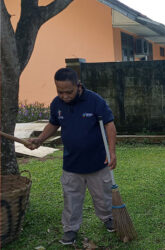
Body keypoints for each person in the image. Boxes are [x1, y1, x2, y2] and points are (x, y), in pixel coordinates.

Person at [26, 68, 117, 245]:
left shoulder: (95, 101)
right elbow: (53, 124)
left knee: (103, 196)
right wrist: (40, 139)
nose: (65, 96)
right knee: (71, 199)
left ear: (78, 85)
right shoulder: (56, 104)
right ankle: (70, 229)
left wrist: (112, 152)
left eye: (69, 92)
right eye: (60, 92)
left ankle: (108, 218)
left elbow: (109, 125)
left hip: (97, 162)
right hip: (71, 164)